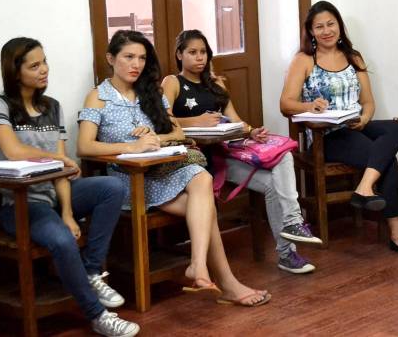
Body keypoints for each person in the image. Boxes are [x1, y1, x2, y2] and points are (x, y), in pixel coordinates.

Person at [77, 30, 270, 307]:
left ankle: (200, 266)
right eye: (129, 57)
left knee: (201, 178)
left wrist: (155, 139)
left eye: (142, 58)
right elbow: (84, 147)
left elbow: (177, 134)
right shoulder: (98, 97)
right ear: (111, 58)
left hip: (163, 172)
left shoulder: (151, 92)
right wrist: (131, 147)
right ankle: (224, 282)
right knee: (206, 210)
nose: (136, 64)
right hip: (130, 181)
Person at [0, 37, 139, 337]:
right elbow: (14, 151)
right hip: (16, 205)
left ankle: (92, 271)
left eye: (44, 62)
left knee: (110, 187)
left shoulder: (51, 106)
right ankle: (97, 315)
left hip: (54, 195)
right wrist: (58, 158)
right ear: (15, 72)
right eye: (35, 65)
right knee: (63, 241)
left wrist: (68, 212)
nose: (44, 70)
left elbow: (62, 170)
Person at [162, 29, 322, 274]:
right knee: (273, 180)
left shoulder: (215, 84)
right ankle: (291, 234)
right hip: (194, 160)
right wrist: (196, 122)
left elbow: (235, 120)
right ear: (179, 55)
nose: (199, 58)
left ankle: (289, 239)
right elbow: (163, 122)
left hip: (224, 153)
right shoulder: (173, 82)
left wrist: (251, 132)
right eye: (192, 52)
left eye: (203, 52)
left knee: (283, 157)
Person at [280, 0, 398, 256]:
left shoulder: (353, 57)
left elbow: (368, 103)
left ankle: (364, 186)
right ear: (311, 31)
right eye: (319, 26)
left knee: (394, 128)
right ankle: (397, 231)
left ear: (339, 26)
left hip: (354, 124)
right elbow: (285, 104)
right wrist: (310, 105)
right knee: (387, 160)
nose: (326, 31)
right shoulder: (304, 60)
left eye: (331, 24)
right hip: (328, 134)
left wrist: (365, 118)